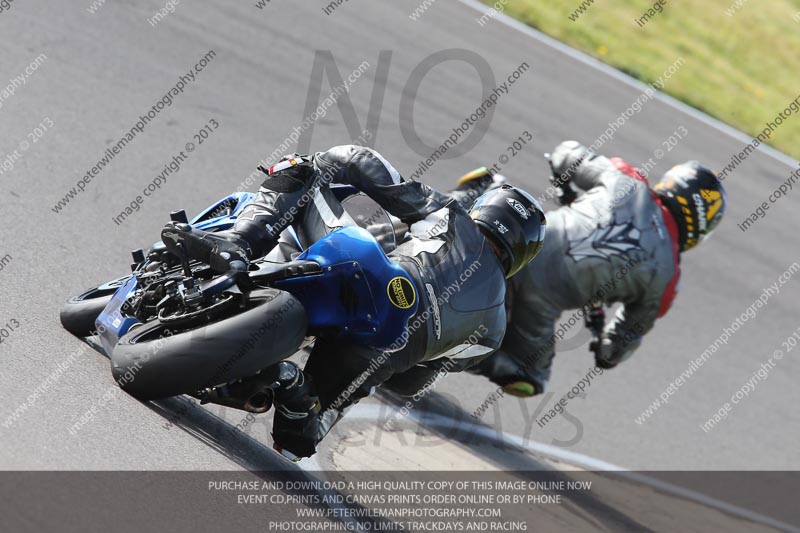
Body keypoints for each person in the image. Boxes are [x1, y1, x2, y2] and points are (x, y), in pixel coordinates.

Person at [160, 145, 546, 458]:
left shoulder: (453, 216)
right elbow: (412, 383)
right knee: (298, 441)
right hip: (377, 352)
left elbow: (361, 161)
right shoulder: (493, 331)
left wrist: (315, 164)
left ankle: (238, 243)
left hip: (365, 276)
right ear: (523, 252)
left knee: (306, 174)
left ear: (485, 210)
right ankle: (287, 381)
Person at [466, 140, 726, 397]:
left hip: (518, 245)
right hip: (539, 304)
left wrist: (565, 179)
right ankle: (460, 357)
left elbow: (567, 152)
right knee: (530, 376)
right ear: (703, 225)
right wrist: (606, 353)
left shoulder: (627, 177)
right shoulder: (668, 279)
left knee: (493, 195)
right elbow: (619, 344)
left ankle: (466, 198)